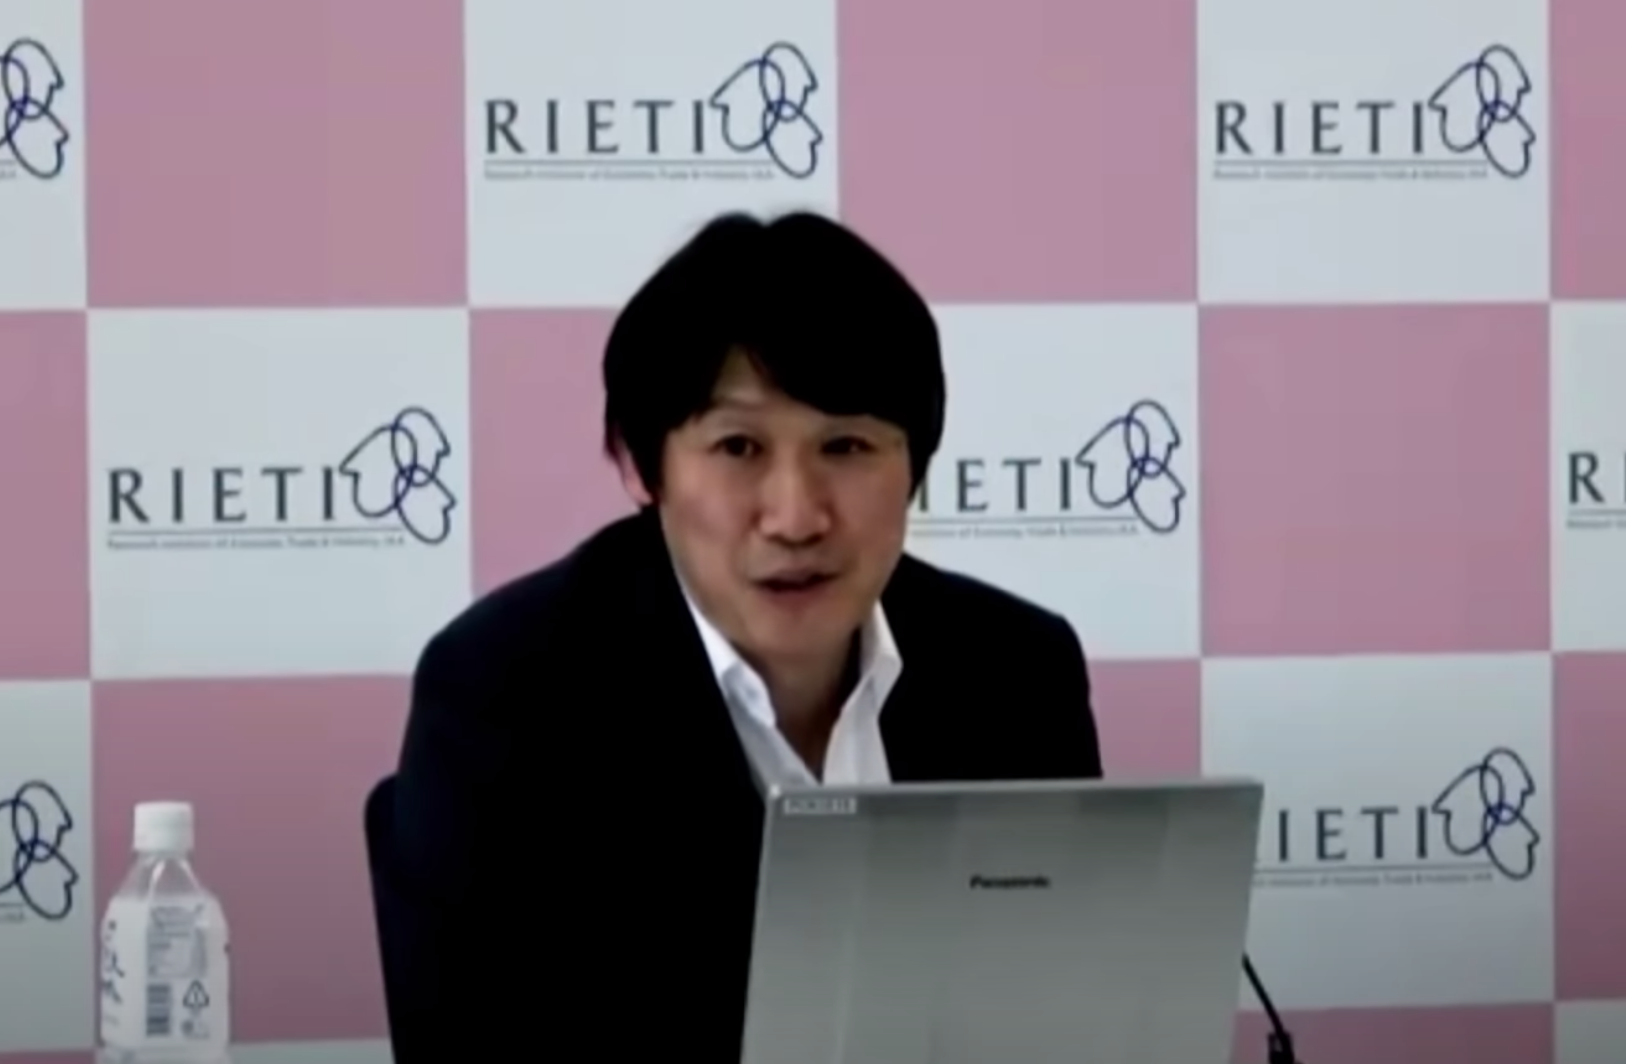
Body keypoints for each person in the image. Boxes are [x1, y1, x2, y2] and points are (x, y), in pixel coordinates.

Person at [375, 210, 1103, 1061]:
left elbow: (1069, 1015)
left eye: (847, 445)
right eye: (738, 447)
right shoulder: (507, 695)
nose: (796, 516)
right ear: (641, 466)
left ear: (915, 463)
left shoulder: (1017, 669)